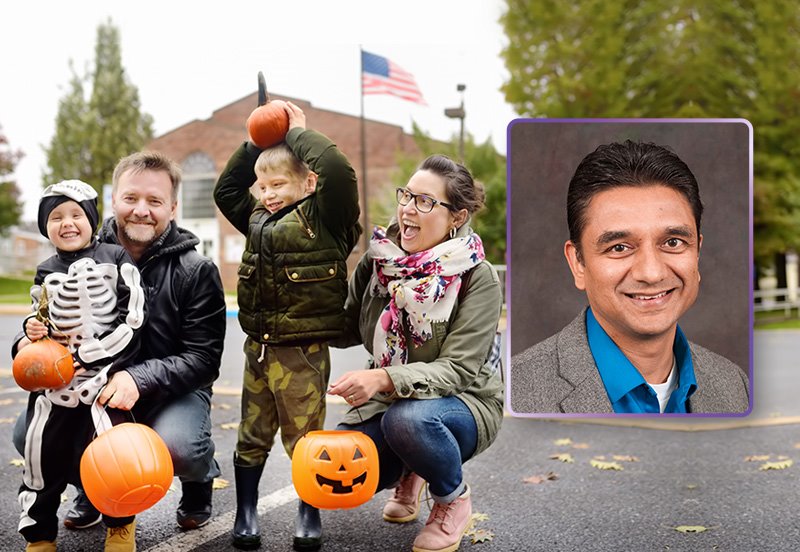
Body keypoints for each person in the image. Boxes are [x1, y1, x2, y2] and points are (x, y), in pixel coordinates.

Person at [13, 152, 228, 545]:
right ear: (113, 200)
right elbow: (40, 321)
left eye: (155, 201)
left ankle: (199, 479)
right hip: (95, 384)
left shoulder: (197, 270)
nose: (141, 211)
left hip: (169, 389)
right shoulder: (75, 252)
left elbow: (203, 358)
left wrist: (137, 376)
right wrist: (28, 343)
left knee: (179, 447)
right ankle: (92, 489)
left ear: (173, 207)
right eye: (131, 198)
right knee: (30, 432)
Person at [328, 155, 504, 552]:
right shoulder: (380, 262)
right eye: (406, 195)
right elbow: (346, 328)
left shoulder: (479, 277)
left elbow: (458, 369)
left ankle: (451, 500)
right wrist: (294, 320)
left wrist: (383, 378)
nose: (407, 208)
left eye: (425, 202)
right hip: (391, 402)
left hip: (464, 403)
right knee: (356, 468)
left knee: (409, 421)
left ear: (456, 217)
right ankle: (413, 467)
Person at [213, 101, 361, 551]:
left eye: (278, 184)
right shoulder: (257, 218)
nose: (267, 193)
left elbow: (337, 169)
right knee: (251, 434)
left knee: (305, 439)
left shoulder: (328, 219)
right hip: (258, 349)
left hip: (303, 353)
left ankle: (308, 509)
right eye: (261, 186)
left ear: (307, 182)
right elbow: (225, 191)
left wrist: (295, 133)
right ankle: (246, 510)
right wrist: (255, 140)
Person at [509, 140, 750, 414]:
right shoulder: (512, 392)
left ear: (697, 253)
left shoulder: (734, 385)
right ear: (577, 262)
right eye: (619, 247)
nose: (651, 273)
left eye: (672, 242)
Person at [13, 180, 146, 551]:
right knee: (40, 457)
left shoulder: (116, 257)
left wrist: (87, 356)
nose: (67, 223)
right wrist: (31, 329)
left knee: (114, 457)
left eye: (76, 214)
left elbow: (132, 320)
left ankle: (120, 525)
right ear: (45, 227)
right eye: (55, 217)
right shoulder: (45, 269)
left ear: (91, 219)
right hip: (55, 385)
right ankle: (39, 534)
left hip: (104, 380)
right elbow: (40, 320)